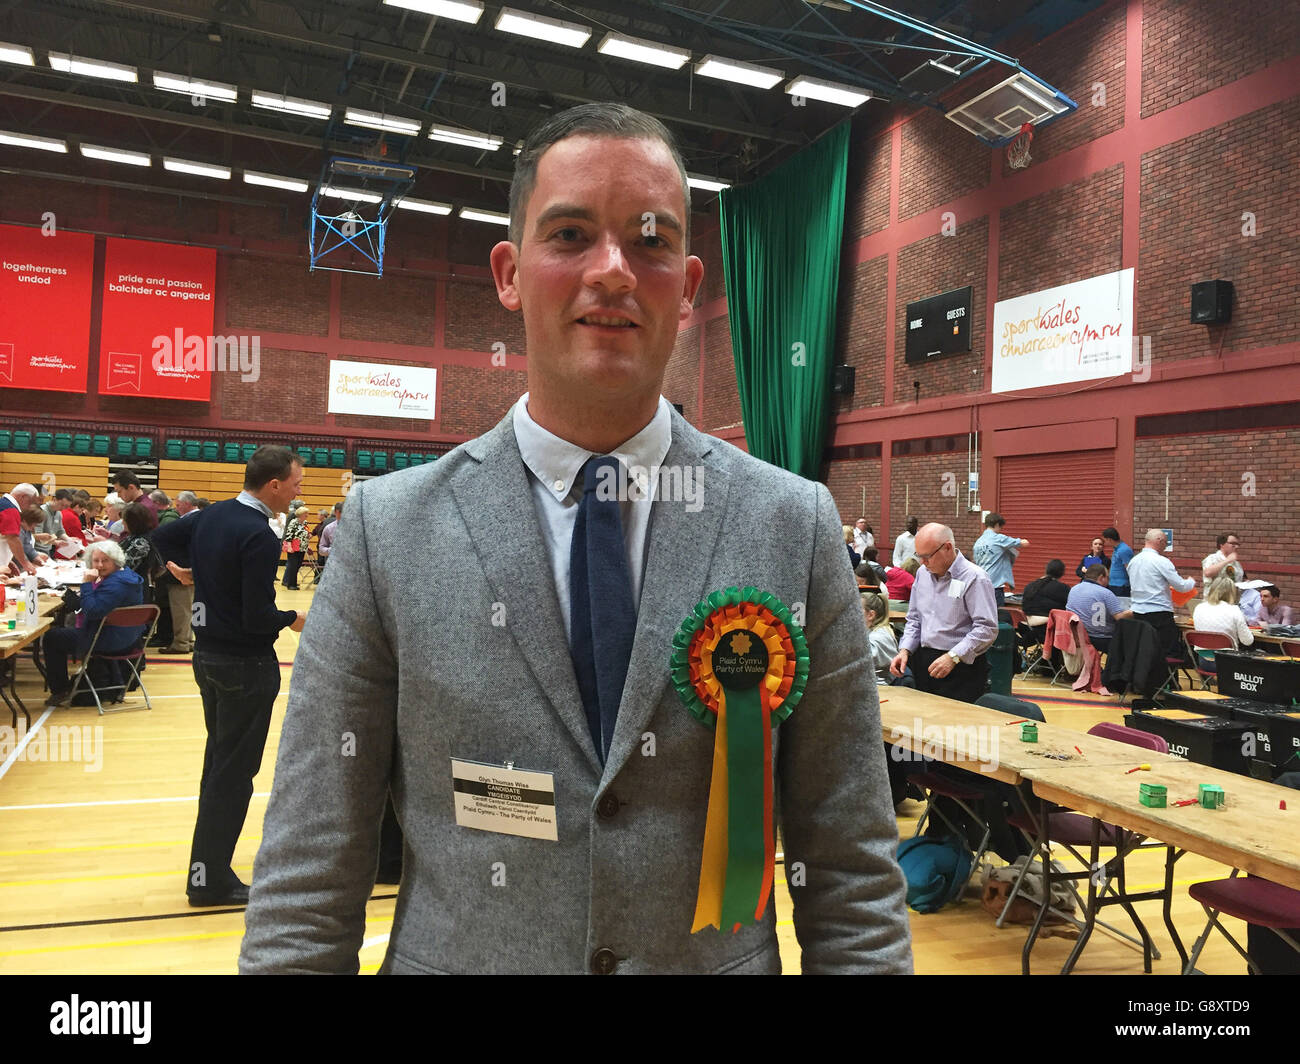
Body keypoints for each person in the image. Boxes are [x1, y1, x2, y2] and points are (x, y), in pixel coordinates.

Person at [239, 103, 911, 975]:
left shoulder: (792, 523)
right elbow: (307, 876)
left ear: (690, 281)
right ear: (510, 273)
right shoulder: (387, 531)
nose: (612, 271)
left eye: (651, 241)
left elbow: (852, 869)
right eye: (569, 235)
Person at [153, 445, 307, 907]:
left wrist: (183, 570)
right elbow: (258, 617)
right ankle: (210, 880)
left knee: (218, 765)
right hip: (246, 664)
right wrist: (292, 618)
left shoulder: (212, 514)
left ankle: (204, 869)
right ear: (274, 485)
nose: (299, 492)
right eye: (296, 484)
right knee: (234, 775)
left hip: (208, 658)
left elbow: (163, 539)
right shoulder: (259, 534)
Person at [890, 522, 998, 702]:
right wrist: (905, 650)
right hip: (924, 661)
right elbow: (915, 619)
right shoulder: (922, 574)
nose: (923, 563)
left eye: (927, 556)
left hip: (961, 666)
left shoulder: (975, 578)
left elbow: (986, 628)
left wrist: (953, 657)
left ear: (947, 547)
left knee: (954, 727)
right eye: (919, 556)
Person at [41, 540, 146, 707]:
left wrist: (86, 585)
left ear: (115, 561)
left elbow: (93, 611)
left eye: (105, 561)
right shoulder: (127, 576)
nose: (99, 565)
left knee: (52, 637)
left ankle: (60, 690)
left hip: (107, 640)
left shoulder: (116, 584)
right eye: (96, 560)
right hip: (130, 639)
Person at [1125, 528, 1195, 659]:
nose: (1166, 546)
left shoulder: (1133, 561)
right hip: (1159, 613)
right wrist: (1191, 581)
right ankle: (1168, 679)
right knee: (1169, 654)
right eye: (1165, 543)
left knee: (1144, 651)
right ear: (1159, 541)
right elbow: (1181, 586)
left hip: (1137, 612)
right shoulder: (1161, 561)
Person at [1066, 564, 1132, 654]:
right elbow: (1120, 617)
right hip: (1102, 639)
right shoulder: (1106, 593)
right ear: (1101, 577)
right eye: (1108, 577)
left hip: (1077, 636)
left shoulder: (1073, 589)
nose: (1109, 581)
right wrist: (1136, 611)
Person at [972, 512, 1028, 607]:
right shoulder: (998, 538)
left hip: (980, 585)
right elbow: (1023, 543)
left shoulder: (978, 542)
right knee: (998, 617)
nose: (1000, 530)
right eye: (1001, 527)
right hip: (994, 587)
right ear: (997, 524)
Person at [1, 483, 40, 574]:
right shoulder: (10, 509)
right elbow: (13, 539)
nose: (30, 507)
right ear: (23, 497)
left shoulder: (3, 504)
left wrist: (8, 561)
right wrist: (24, 563)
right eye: (31, 502)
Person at [861, 590, 897, 684]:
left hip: (880, 687)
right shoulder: (870, 630)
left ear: (871, 615)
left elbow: (860, 660)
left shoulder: (879, 636)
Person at [281, 506, 310, 591]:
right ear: (300, 514)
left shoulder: (305, 523)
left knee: (297, 565)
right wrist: (289, 547)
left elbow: (305, 533)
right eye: (306, 514)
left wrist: (308, 536)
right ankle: (290, 584)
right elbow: (289, 535)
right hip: (294, 546)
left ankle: (293, 583)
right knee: (293, 565)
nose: (307, 515)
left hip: (302, 547)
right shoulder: (293, 522)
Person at [1101, 527, 1133, 602]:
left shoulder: (1124, 550)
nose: (1105, 542)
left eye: (1105, 540)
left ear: (1109, 539)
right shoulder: (1116, 549)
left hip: (1121, 586)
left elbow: (1129, 568)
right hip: (1113, 584)